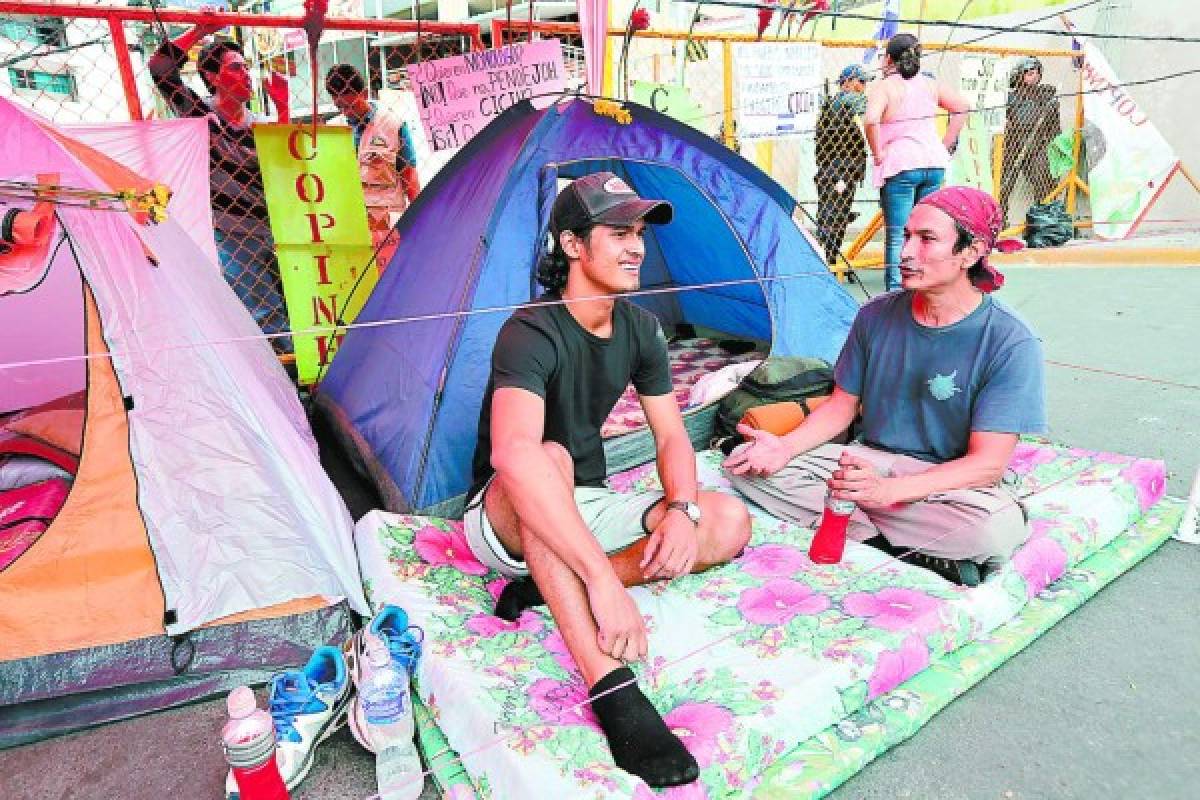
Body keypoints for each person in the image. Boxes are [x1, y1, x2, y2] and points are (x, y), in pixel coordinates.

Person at [463, 172, 752, 787]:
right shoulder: (530, 330)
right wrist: (603, 583)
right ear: (572, 244)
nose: (637, 247)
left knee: (727, 519)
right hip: (503, 515)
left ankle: (549, 586)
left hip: (583, 504)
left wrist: (682, 510)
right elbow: (513, 455)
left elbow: (673, 436)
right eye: (618, 231)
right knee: (549, 460)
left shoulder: (641, 329)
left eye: (640, 233)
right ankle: (611, 686)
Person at [724, 186, 1045, 588]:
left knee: (994, 529)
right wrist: (783, 447)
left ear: (971, 251)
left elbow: (987, 464)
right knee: (748, 463)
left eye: (927, 239)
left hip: (946, 480)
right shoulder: (874, 315)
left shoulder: (1009, 340)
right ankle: (884, 543)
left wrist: (889, 491)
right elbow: (842, 407)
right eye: (907, 235)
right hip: (866, 459)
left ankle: (853, 519)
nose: (905, 252)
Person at [148, 15, 293, 352]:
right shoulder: (202, 117)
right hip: (232, 236)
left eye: (246, 68)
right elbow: (160, 68)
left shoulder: (261, 127)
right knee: (268, 321)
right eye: (235, 69)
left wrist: (284, 107)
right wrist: (200, 31)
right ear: (212, 77)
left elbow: (288, 169)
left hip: (276, 235)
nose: (246, 75)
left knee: (290, 312)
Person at [864, 33, 970, 292]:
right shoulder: (930, 84)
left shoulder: (885, 86)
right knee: (924, 230)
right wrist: (944, 144)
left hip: (900, 164)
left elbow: (870, 120)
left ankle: (896, 291)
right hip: (932, 163)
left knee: (898, 233)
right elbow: (961, 107)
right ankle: (924, 283)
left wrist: (878, 152)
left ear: (888, 59)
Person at [324, 64, 421, 266]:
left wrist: (421, 216)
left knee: (386, 281)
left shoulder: (393, 124)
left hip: (385, 224)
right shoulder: (333, 131)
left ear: (365, 93)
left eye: (351, 105)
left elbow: (409, 175)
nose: (347, 112)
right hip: (348, 225)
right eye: (340, 107)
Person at [814, 63, 872, 266]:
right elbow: (869, 106)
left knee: (831, 213)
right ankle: (828, 259)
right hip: (840, 169)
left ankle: (827, 256)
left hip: (835, 168)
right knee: (835, 215)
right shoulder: (846, 101)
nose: (863, 87)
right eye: (861, 82)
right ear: (846, 83)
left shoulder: (833, 103)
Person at [998, 56, 1062, 225]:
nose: (1032, 77)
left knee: (1044, 181)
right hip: (1013, 145)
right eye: (1027, 73)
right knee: (1003, 184)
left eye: (1035, 73)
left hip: (1038, 145)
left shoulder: (1046, 98)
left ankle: (1041, 222)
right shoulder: (1009, 98)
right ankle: (1000, 221)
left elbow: (1055, 129)